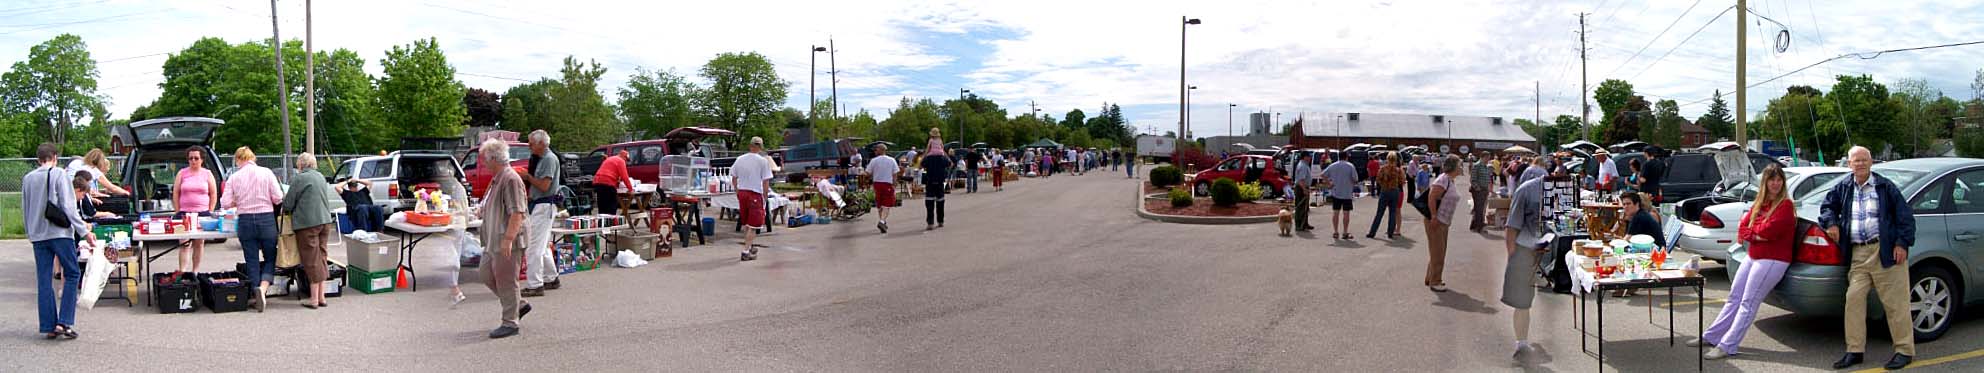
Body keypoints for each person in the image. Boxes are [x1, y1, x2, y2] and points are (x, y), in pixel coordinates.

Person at [1821, 146, 1918, 370]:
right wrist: (1831, 223)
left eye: (1864, 160)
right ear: (1849, 164)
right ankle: (1854, 351)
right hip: (1858, 254)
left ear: (1871, 162)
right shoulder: (1844, 186)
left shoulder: (1885, 186)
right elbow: (1827, 207)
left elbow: (1906, 217)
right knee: (1853, 300)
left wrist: (1902, 243)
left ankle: (1904, 351)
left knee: (1896, 305)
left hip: (1885, 252)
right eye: (1856, 160)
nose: (1861, 164)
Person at [1688, 164, 1795, 360]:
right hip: (1754, 255)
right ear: (1765, 182)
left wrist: (1755, 233)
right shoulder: (1759, 203)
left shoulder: (1786, 205)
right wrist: (1756, 234)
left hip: (1773, 259)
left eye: (1779, 179)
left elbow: (1768, 232)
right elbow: (1743, 228)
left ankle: (1728, 345)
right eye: (1772, 179)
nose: (1776, 183)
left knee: (1748, 302)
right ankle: (1712, 336)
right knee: (1734, 297)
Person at [26, 143, 95, 340]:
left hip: (38, 235)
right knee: (72, 273)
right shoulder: (59, 174)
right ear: (55, 157)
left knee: (44, 279)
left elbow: (26, 207)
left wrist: (31, 232)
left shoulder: (28, 179)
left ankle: (48, 325)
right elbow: (68, 206)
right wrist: (84, 231)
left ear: (38, 158)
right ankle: (64, 321)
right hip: (59, 233)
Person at [473, 140, 532, 339]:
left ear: (493, 159)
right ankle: (519, 305)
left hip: (508, 240)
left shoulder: (510, 179)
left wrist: (508, 239)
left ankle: (510, 322)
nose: (483, 164)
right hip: (494, 240)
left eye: (484, 160)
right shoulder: (498, 178)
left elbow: (518, 212)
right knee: (485, 274)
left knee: (507, 280)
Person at [219, 147, 283, 312]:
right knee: (271, 257)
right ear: (253, 158)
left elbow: (225, 203)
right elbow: (278, 197)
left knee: (251, 260)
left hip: (245, 221)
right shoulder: (267, 172)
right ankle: (263, 287)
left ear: (238, 160)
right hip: (266, 219)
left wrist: (237, 202)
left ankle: (256, 294)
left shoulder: (234, 177)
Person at [1500, 159, 1551, 359]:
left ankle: (1522, 342)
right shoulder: (1527, 190)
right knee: (1523, 302)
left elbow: (1511, 227)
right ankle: (1521, 343)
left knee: (1523, 302)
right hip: (1528, 250)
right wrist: (1513, 255)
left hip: (1536, 250)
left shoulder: (1526, 189)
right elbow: (1511, 227)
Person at [281, 153, 336, 310]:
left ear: (300, 164)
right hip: (325, 221)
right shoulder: (320, 177)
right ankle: (321, 297)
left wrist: (285, 200)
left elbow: (289, 204)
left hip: (308, 223)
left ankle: (313, 299)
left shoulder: (300, 178)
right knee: (322, 256)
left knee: (311, 259)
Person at [516, 130, 564, 297]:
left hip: (543, 206)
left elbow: (544, 186)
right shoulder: (545, 159)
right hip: (543, 205)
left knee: (533, 247)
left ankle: (535, 284)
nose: (529, 146)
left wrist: (527, 177)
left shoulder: (549, 160)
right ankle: (551, 278)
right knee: (542, 246)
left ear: (542, 143)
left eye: (531, 143)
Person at [170, 148, 218, 283]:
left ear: (202, 159)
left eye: (196, 158)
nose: (193, 161)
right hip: (184, 213)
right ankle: (183, 272)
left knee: (199, 243)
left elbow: (213, 194)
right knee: (184, 243)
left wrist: (210, 211)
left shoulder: (207, 174)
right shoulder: (182, 173)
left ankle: (195, 271)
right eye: (190, 158)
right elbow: (176, 193)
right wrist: (178, 210)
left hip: (202, 213)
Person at [1608, 192, 1665, 297]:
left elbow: (1626, 240)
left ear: (1637, 204)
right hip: (1651, 248)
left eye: (1628, 204)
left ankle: (1629, 285)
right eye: (1624, 204)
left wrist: (1613, 245)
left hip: (1656, 253)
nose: (1625, 207)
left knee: (1620, 253)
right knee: (1622, 251)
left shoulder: (1639, 217)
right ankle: (1629, 285)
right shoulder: (1639, 215)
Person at [1424, 155, 1465, 293]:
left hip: (1443, 221)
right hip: (1437, 220)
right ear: (1453, 166)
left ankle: (1430, 277)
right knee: (1438, 252)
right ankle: (1436, 281)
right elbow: (1431, 196)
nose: (1461, 167)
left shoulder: (1449, 180)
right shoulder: (1443, 179)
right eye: (1460, 165)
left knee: (1437, 251)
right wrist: (1434, 216)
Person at [730, 137, 776, 261]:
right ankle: (745, 251)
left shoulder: (740, 159)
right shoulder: (763, 161)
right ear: (760, 147)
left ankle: (749, 246)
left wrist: (737, 191)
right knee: (753, 225)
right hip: (754, 193)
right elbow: (765, 181)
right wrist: (765, 196)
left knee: (746, 223)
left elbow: (733, 177)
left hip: (743, 192)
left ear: (750, 146)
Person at [1320, 153, 1359, 240]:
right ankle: (1345, 232)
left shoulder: (1333, 165)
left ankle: (1335, 231)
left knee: (1336, 212)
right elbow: (1355, 179)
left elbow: (1322, 175)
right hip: (1347, 193)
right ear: (1346, 157)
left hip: (1336, 192)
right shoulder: (1350, 166)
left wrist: (1329, 183)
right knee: (1346, 213)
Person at [1367, 152, 1405, 239]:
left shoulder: (1383, 169)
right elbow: (1402, 181)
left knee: (1379, 213)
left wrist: (1384, 184)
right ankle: (1390, 233)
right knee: (1392, 212)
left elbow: (1378, 179)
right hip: (1395, 191)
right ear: (1396, 159)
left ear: (1387, 159)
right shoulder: (1398, 170)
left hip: (1385, 191)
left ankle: (1372, 232)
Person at [866, 143, 901, 233]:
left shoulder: (873, 160)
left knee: (880, 203)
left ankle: (883, 222)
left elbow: (868, 172)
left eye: (876, 149)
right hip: (887, 183)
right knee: (887, 204)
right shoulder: (892, 160)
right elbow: (895, 173)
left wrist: (870, 176)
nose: (875, 151)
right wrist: (894, 182)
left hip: (877, 183)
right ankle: (882, 221)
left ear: (881, 150)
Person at [591, 149, 634, 216]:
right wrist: (630, 189)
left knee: (602, 205)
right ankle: (610, 222)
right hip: (607, 183)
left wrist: (617, 181)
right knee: (612, 205)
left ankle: (602, 223)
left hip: (598, 182)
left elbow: (609, 171)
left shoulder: (610, 159)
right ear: (624, 157)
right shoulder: (621, 161)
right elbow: (624, 176)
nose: (626, 162)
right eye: (626, 160)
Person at [921, 140, 953, 230]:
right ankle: (940, 221)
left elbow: (921, 164)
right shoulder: (943, 158)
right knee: (940, 202)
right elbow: (950, 164)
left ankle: (930, 223)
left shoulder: (928, 158)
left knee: (929, 203)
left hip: (930, 182)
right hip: (940, 182)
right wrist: (945, 153)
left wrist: (926, 152)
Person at [1469, 152, 1495, 232]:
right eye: (1487, 158)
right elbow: (1472, 179)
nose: (1488, 160)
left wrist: (1487, 189)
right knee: (1479, 209)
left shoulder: (1485, 166)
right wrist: (1478, 189)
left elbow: (1487, 178)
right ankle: (1479, 227)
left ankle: (1474, 225)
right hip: (1478, 190)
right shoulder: (1477, 166)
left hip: (1484, 190)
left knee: (1480, 209)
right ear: (1483, 157)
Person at [1290, 154, 1315, 232]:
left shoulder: (1304, 165)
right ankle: (1300, 225)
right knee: (1301, 207)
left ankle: (1305, 224)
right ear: (1305, 157)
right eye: (1309, 156)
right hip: (1301, 188)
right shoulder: (1303, 166)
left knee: (1305, 207)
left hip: (1302, 187)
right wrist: (1304, 189)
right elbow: (1301, 179)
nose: (1310, 158)